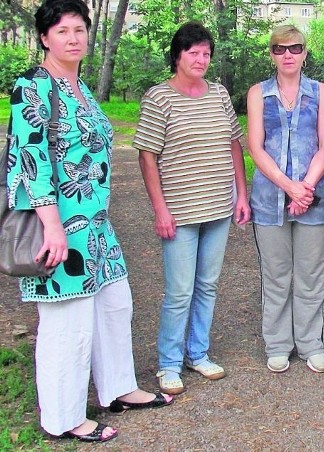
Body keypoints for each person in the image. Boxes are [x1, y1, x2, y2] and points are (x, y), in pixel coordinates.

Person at [5, 0, 173, 443]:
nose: (73, 38)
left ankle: (119, 388)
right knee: (67, 325)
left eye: (79, 29)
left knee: (116, 306)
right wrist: (53, 226)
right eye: (62, 31)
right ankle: (63, 418)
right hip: (58, 225)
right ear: (45, 38)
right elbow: (29, 160)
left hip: (95, 224)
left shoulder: (80, 87)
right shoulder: (34, 86)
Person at [134, 22, 250, 395]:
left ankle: (197, 353)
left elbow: (235, 145)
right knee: (179, 291)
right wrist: (160, 210)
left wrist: (241, 196)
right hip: (180, 213)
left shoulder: (218, 95)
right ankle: (168, 363)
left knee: (208, 286)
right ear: (178, 55)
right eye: (193, 52)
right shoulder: (159, 98)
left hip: (218, 206)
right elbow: (148, 157)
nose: (200, 59)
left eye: (206, 53)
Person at [246, 25, 324, 373]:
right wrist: (288, 187)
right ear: (272, 54)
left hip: (314, 198)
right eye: (280, 49)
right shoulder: (258, 94)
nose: (288, 55)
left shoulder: (321, 92)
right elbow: (256, 146)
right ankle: (279, 344)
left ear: (304, 53)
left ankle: (311, 343)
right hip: (270, 198)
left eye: (295, 48)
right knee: (277, 275)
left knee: (311, 275)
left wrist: (305, 188)